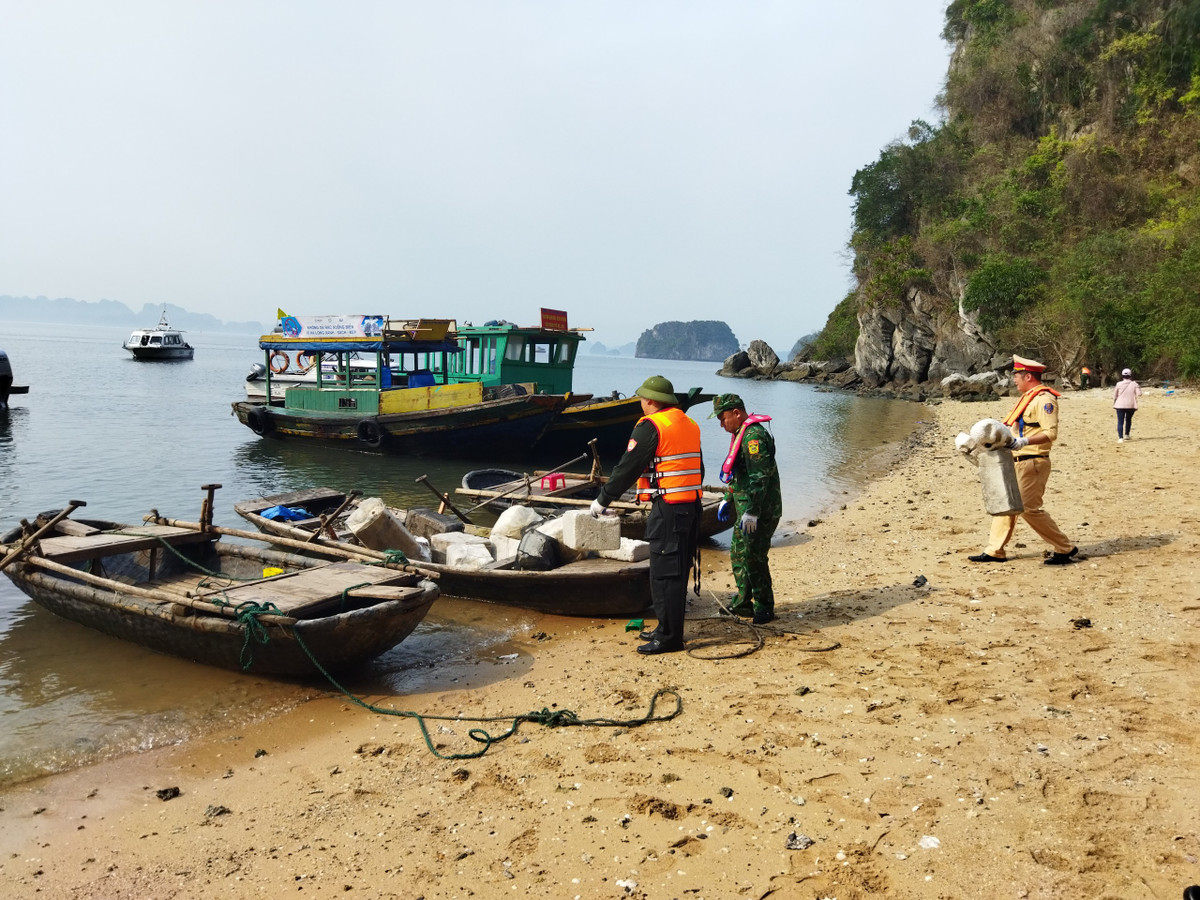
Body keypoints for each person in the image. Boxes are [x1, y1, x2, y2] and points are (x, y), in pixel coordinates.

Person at [589, 375, 703, 654]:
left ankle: (670, 638)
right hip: (691, 507)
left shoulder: (650, 426)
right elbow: (696, 468)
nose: (640, 403)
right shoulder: (688, 423)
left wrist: (602, 500)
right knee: (676, 572)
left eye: (641, 398)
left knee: (665, 575)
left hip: (670, 511)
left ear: (650, 400)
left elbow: (628, 467)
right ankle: (666, 628)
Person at [968, 355, 1079, 566]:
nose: (1014, 380)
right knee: (1004, 503)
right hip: (1017, 461)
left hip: (1034, 461)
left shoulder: (1045, 400)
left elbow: (1050, 433)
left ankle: (1066, 548)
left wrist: (1023, 441)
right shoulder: (1026, 398)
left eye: (1017, 376)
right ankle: (994, 551)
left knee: (1028, 509)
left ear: (1028, 376)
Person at [710, 393, 782, 625]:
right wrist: (728, 497)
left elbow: (760, 478)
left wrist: (752, 511)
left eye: (723, 418)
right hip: (745, 509)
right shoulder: (740, 434)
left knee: (754, 557)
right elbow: (740, 475)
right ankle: (742, 602)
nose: (721, 424)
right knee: (739, 554)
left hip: (760, 510)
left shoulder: (754, 437)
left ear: (737, 413)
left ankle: (764, 607)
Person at [1113, 367, 1141, 443]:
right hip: (1131, 405)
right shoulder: (1134, 384)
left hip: (1120, 405)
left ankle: (1120, 438)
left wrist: (1114, 401)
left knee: (1120, 421)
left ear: (1122, 376)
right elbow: (1139, 394)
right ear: (1130, 375)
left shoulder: (1118, 384)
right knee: (1128, 420)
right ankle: (1127, 435)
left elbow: (1115, 395)